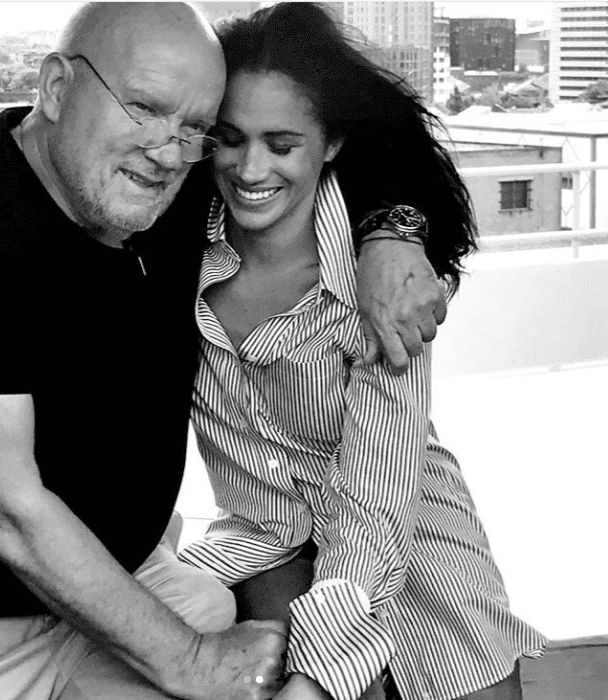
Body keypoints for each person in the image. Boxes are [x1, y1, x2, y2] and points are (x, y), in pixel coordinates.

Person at [0, 3, 446, 700]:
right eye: (143, 107)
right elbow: (2, 511)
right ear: (57, 88)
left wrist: (391, 229)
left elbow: (345, 136)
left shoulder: (163, 194)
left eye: (192, 129)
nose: (165, 150)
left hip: (125, 586)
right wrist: (188, 659)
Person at [176, 4, 546, 700]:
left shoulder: (379, 285)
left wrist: (319, 679)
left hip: (408, 527)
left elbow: (377, 500)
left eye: (281, 143)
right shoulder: (177, 247)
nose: (249, 167)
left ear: (332, 142)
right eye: (229, 138)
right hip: (266, 537)